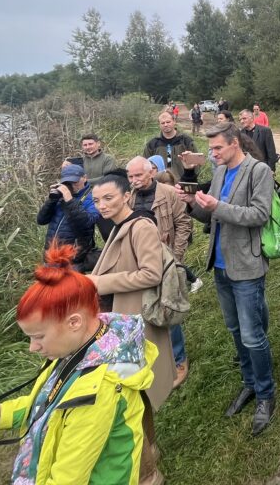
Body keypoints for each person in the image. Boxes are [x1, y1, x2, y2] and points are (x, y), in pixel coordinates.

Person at [0, 243, 158, 485]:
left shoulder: (95, 392)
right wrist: (1, 414)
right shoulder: (80, 350)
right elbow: (51, 405)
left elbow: (68, 477)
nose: (32, 347)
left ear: (74, 322)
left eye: (38, 337)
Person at [179, 122, 277, 436]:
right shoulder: (220, 173)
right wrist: (194, 204)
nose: (213, 154)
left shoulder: (258, 171)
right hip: (220, 266)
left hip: (246, 265)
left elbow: (259, 215)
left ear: (235, 143)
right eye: (211, 149)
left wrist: (218, 205)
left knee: (252, 335)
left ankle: (266, 393)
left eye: (218, 148)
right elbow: (211, 216)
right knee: (235, 330)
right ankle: (249, 384)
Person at [88, 175, 174, 412]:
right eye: (96, 200)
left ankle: (148, 445)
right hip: (125, 316)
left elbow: (151, 274)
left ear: (127, 196)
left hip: (137, 315)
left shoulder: (140, 226)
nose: (102, 205)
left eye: (108, 198)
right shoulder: (119, 226)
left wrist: (101, 282)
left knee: (143, 383)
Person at [126, 156, 194, 387]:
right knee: (145, 307)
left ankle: (178, 359)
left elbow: (184, 223)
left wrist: (176, 256)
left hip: (165, 260)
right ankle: (151, 355)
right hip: (139, 262)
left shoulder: (168, 193)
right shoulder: (129, 197)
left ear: (151, 173)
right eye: (130, 176)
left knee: (168, 308)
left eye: (138, 175)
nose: (134, 180)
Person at [36, 163, 100, 264]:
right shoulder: (59, 197)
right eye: (67, 182)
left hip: (72, 255)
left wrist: (69, 200)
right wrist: (52, 200)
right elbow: (41, 220)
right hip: (51, 253)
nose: (72, 185)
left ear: (85, 178)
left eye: (75, 181)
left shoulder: (93, 198)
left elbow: (87, 222)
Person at [143, 111, 202, 182]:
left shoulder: (186, 141)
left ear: (174, 121)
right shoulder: (153, 144)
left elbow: (197, 163)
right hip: (160, 184)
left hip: (183, 181)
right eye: (162, 123)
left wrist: (190, 178)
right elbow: (146, 165)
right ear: (159, 125)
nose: (165, 125)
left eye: (168, 122)